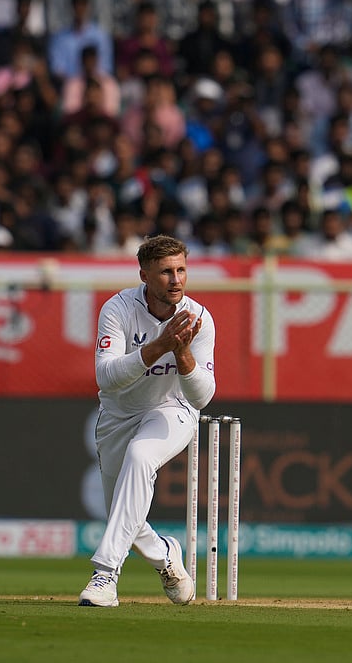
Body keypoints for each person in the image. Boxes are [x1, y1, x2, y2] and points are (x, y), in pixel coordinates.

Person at [79, 235, 216, 607]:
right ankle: (167, 556)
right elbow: (105, 377)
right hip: (118, 415)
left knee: (141, 456)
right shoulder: (118, 309)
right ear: (145, 275)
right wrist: (159, 346)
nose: (176, 280)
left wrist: (183, 352)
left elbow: (202, 397)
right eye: (166, 272)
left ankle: (105, 574)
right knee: (126, 513)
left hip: (172, 409)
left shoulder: (200, 319)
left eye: (181, 270)